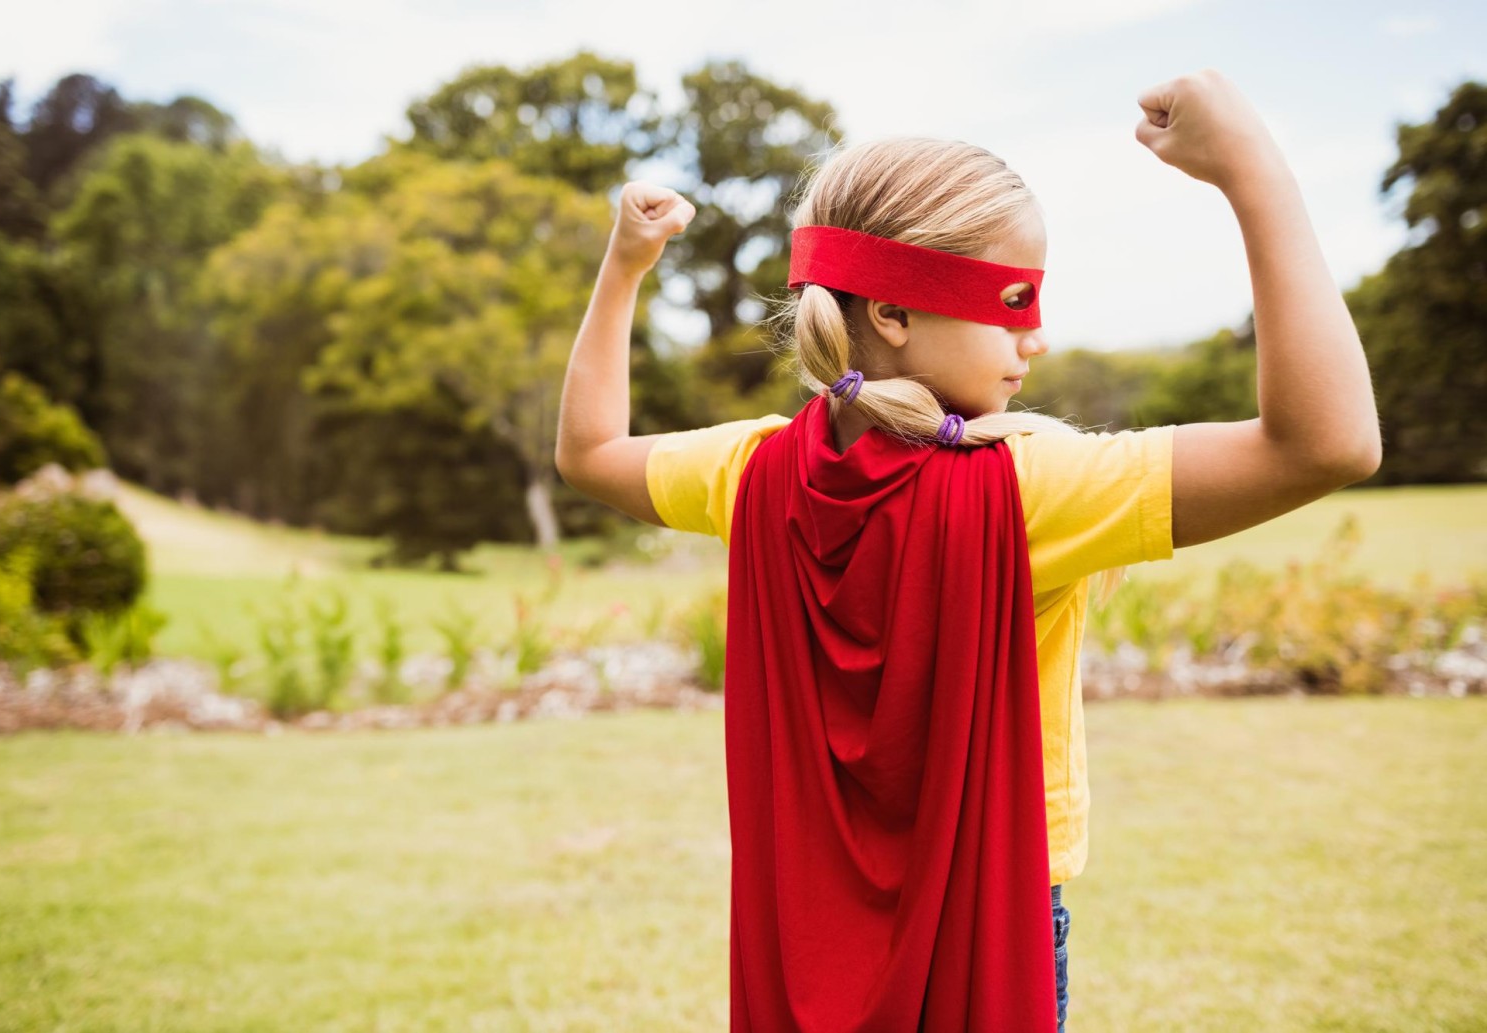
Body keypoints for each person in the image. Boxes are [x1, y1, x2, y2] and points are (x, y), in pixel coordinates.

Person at [555, 67, 1382, 1032]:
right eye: (1010, 302)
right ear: (894, 314)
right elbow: (1327, 443)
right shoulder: (1027, 486)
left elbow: (590, 453)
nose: (1033, 336)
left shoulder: (757, 472)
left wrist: (625, 267)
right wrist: (1253, 172)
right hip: (995, 918)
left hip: (805, 933)